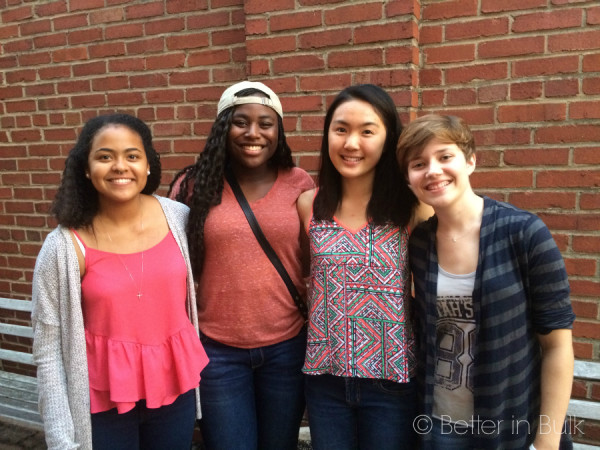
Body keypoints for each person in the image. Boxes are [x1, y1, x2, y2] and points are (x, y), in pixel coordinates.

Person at [397, 114, 575, 449]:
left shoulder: (523, 233)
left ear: (470, 161)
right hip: (437, 426)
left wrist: (547, 441)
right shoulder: (419, 243)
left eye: (445, 156)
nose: (433, 170)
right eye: (418, 163)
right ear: (409, 179)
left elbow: (558, 346)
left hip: (511, 428)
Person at [31, 113, 209, 450]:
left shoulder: (179, 219)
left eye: (132, 156)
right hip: (103, 404)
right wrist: (59, 438)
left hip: (174, 394)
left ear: (147, 166)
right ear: (86, 168)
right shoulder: (63, 247)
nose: (119, 166)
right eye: (104, 156)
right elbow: (48, 351)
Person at [168, 81, 314, 450]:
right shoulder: (193, 185)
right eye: (240, 122)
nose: (253, 133)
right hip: (217, 352)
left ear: (278, 131)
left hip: (287, 348)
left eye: (266, 123)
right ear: (222, 128)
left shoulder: (299, 184)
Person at [297, 84, 432, 450]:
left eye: (367, 131)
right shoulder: (309, 204)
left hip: (391, 381)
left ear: (389, 139)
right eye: (341, 129)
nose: (351, 143)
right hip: (325, 378)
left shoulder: (414, 209)